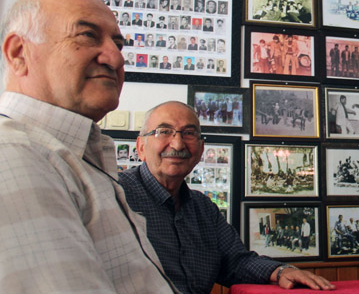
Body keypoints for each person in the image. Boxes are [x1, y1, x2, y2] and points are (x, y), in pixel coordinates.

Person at [0, 0, 178, 293]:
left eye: (119, 44)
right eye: (86, 35)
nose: (115, 57)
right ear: (19, 53)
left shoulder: (72, 155)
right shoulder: (14, 156)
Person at [118, 101, 335, 294]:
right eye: (164, 131)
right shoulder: (115, 194)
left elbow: (236, 262)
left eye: (189, 133)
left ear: (201, 149)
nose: (177, 144)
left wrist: (280, 271)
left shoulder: (203, 208)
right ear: (141, 147)